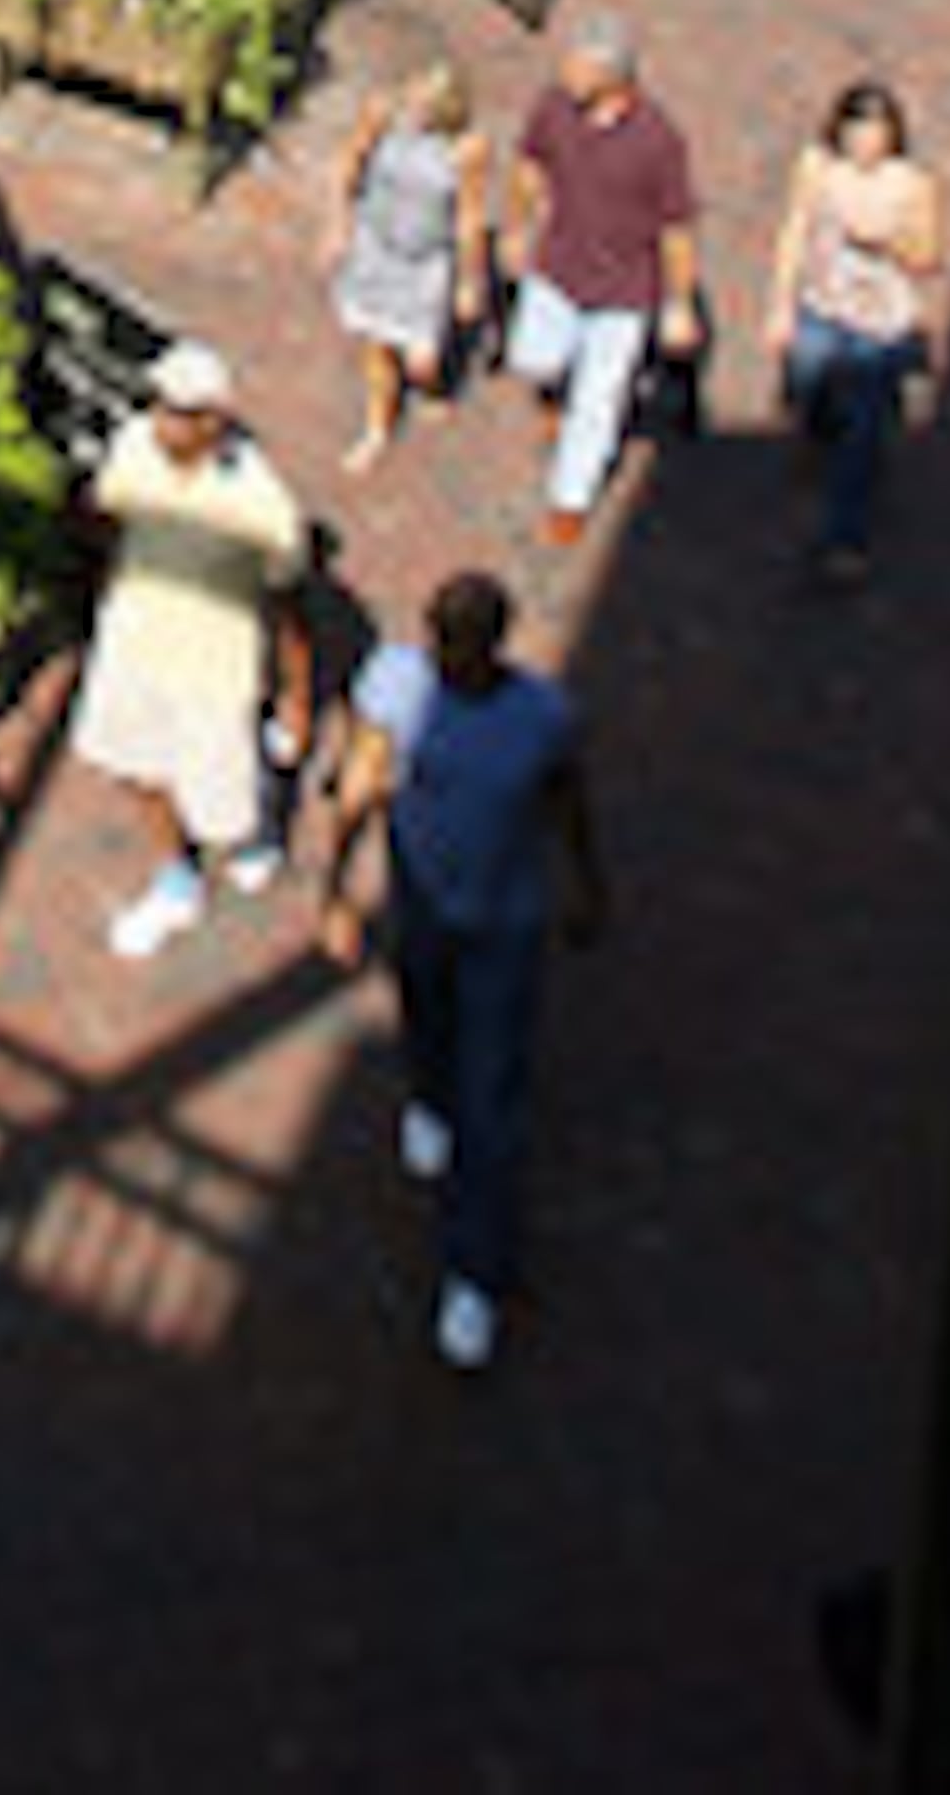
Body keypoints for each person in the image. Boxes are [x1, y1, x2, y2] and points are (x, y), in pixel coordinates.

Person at [316, 566, 606, 1374]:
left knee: (496, 1103)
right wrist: (335, 891)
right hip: (425, 913)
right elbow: (359, 784)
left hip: (504, 928)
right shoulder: (398, 687)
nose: (454, 656)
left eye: (470, 642)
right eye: (446, 638)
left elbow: (568, 800)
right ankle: (430, 1095)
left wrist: (588, 885)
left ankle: (475, 1270)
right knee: (427, 1017)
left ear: (497, 641)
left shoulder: (540, 715)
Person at [67, 340, 313, 961]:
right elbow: (106, 514)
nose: (165, 422)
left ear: (216, 418)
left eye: (182, 411)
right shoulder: (132, 445)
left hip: (214, 674)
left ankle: (253, 832)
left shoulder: (263, 505)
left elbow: (287, 612)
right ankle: (176, 878)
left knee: (222, 814)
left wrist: (296, 698)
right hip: (132, 648)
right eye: (160, 405)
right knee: (134, 766)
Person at [503, 13, 701, 542]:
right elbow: (529, 164)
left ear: (612, 78)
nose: (563, 72)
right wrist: (518, 227)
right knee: (532, 357)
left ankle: (569, 499)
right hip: (557, 267)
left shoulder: (660, 142)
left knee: (598, 402)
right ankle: (553, 390)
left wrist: (679, 304)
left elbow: (676, 230)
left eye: (576, 66)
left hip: (624, 294)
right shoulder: (553, 108)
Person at [761, 74, 946, 579]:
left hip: (879, 325)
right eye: (855, 133)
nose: (864, 145)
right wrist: (780, 303)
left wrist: (887, 242)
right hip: (820, 306)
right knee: (805, 378)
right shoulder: (817, 168)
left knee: (863, 435)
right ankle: (819, 426)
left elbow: (929, 257)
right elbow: (795, 229)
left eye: (875, 135)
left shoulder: (912, 185)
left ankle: (845, 538)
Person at [318, 51, 493, 473]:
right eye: (411, 101)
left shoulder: (468, 148)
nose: (413, 113)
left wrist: (470, 280)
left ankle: (429, 386)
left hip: (425, 262)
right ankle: (376, 428)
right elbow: (348, 162)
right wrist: (337, 223)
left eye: (425, 108)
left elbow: (469, 217)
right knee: (375, 344)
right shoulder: (381, 113)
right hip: (376, 247)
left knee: (420, 361)